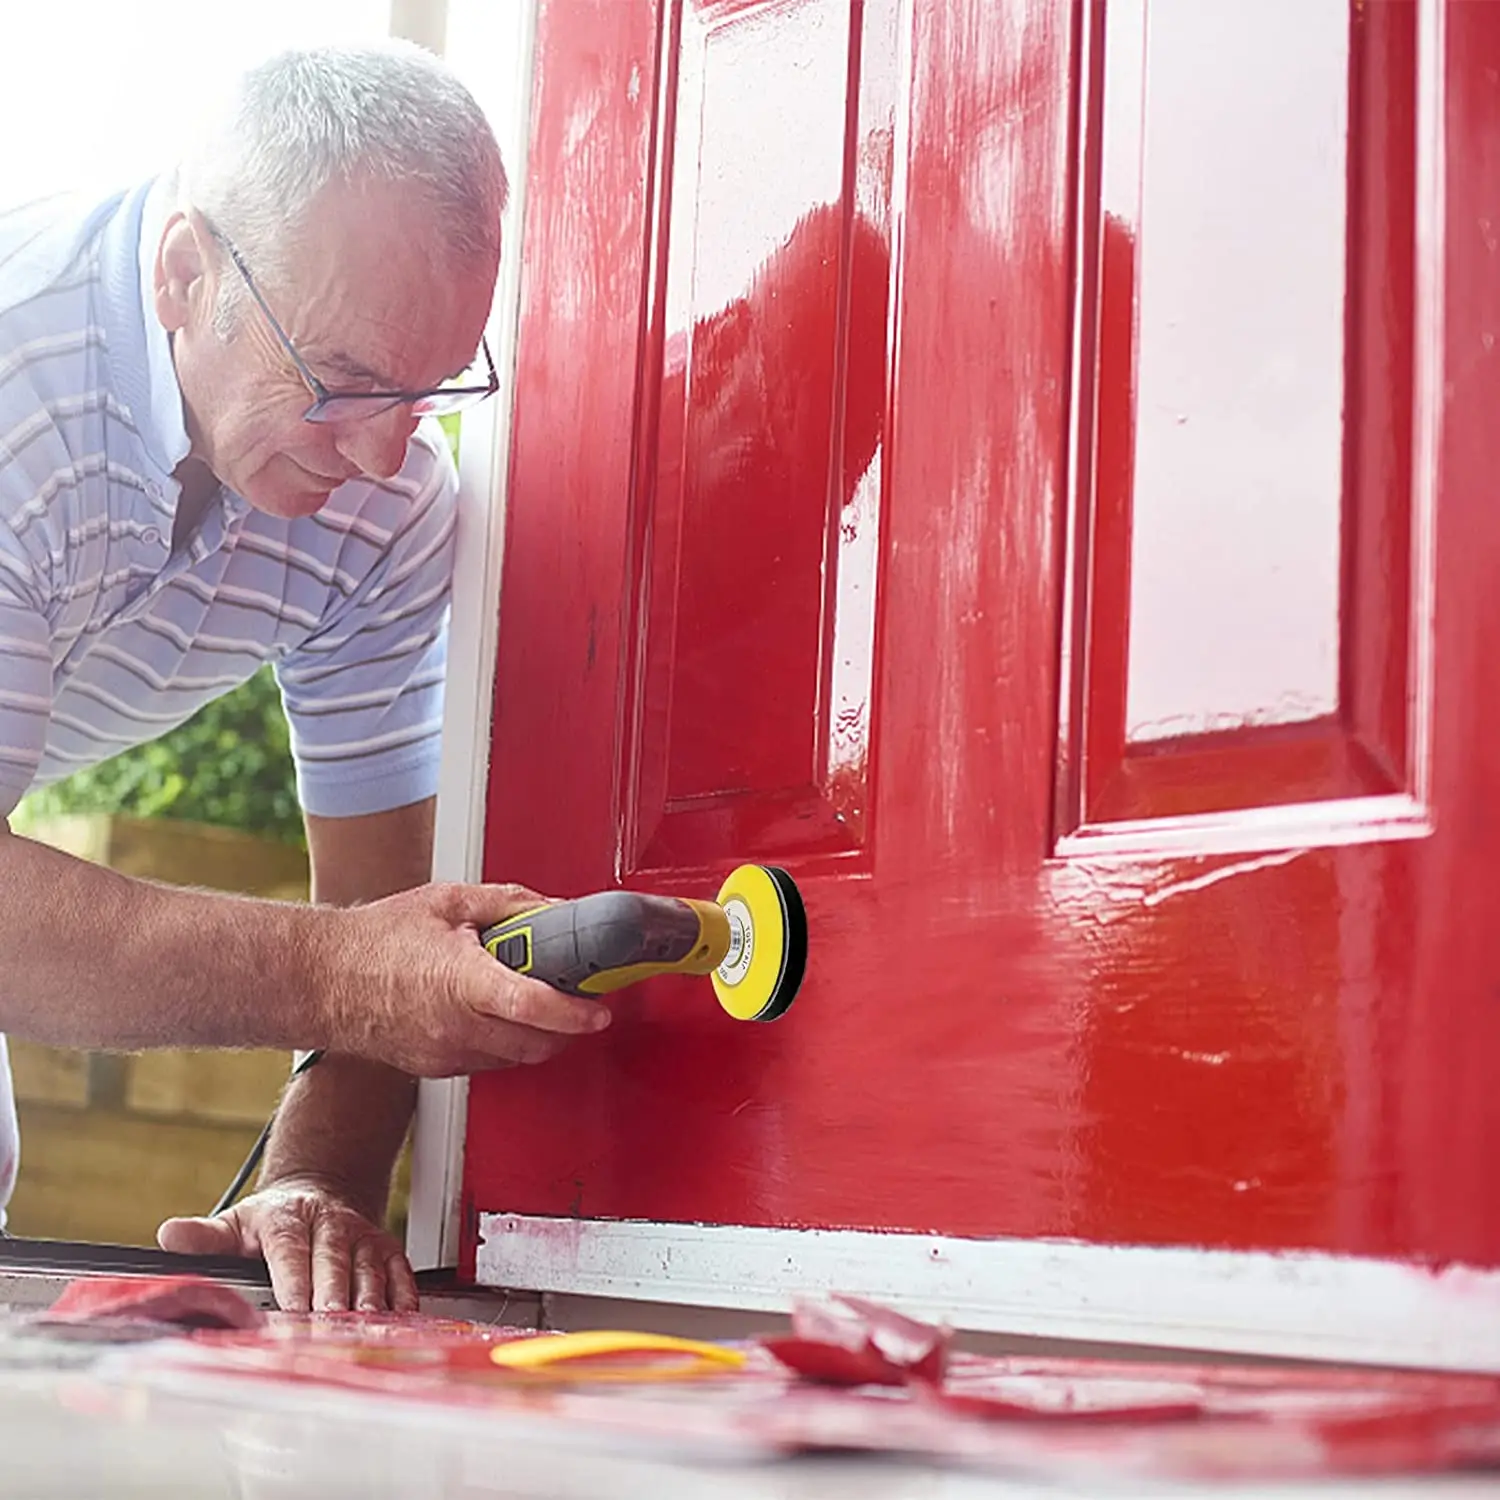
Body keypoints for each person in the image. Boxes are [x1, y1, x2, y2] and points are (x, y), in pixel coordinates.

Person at [0, 40, 612, 1312]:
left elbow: (391, 929)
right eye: (339, 384)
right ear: (184, 275)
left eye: (428, 390)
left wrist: (316, 1181)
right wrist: (347, 974)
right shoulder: (21, 394)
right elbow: (364, 969)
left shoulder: (383, 517)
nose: (387, 457)